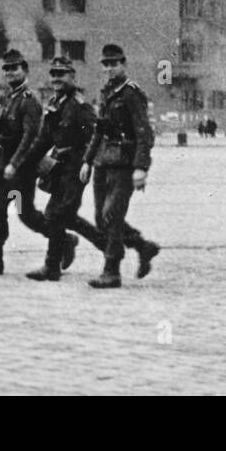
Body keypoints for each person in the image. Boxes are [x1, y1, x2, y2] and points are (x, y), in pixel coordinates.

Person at [11, 55, 99, 281]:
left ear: (72, 76)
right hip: (59, 168)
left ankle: (52, 267)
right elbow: (43, 140)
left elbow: (95, 137)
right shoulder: (55, 104)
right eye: (54, 74)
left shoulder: (80, 106)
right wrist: (23, 164)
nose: (57, 79)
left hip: (76, 167)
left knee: (59, 215)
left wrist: (87, 163)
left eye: (62, 74)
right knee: (58, 215)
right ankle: (106, 245)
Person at [79, 44, 160, 289]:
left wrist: (141, 167)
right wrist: (87, 160)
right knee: (101, 218)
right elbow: (99, 130)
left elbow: (144, 132)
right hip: (103, 161)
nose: (109, 68)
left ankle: (111, 270)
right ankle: (143, 247)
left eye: (114, 64)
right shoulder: (106, 93)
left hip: (124, 163)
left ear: (123, 64)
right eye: (106, 64)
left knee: (111, 214)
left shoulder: (131, 93)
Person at [0, 50, 51, 276]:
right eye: (6, 69)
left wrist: (15, 164)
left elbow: (30, 136)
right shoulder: (11, 98)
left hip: (19, 171)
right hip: (2, 168)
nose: (10, 72)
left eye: (14, 68)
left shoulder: (29, 101)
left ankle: (63, 240)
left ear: (25, 70)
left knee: (26, 214)